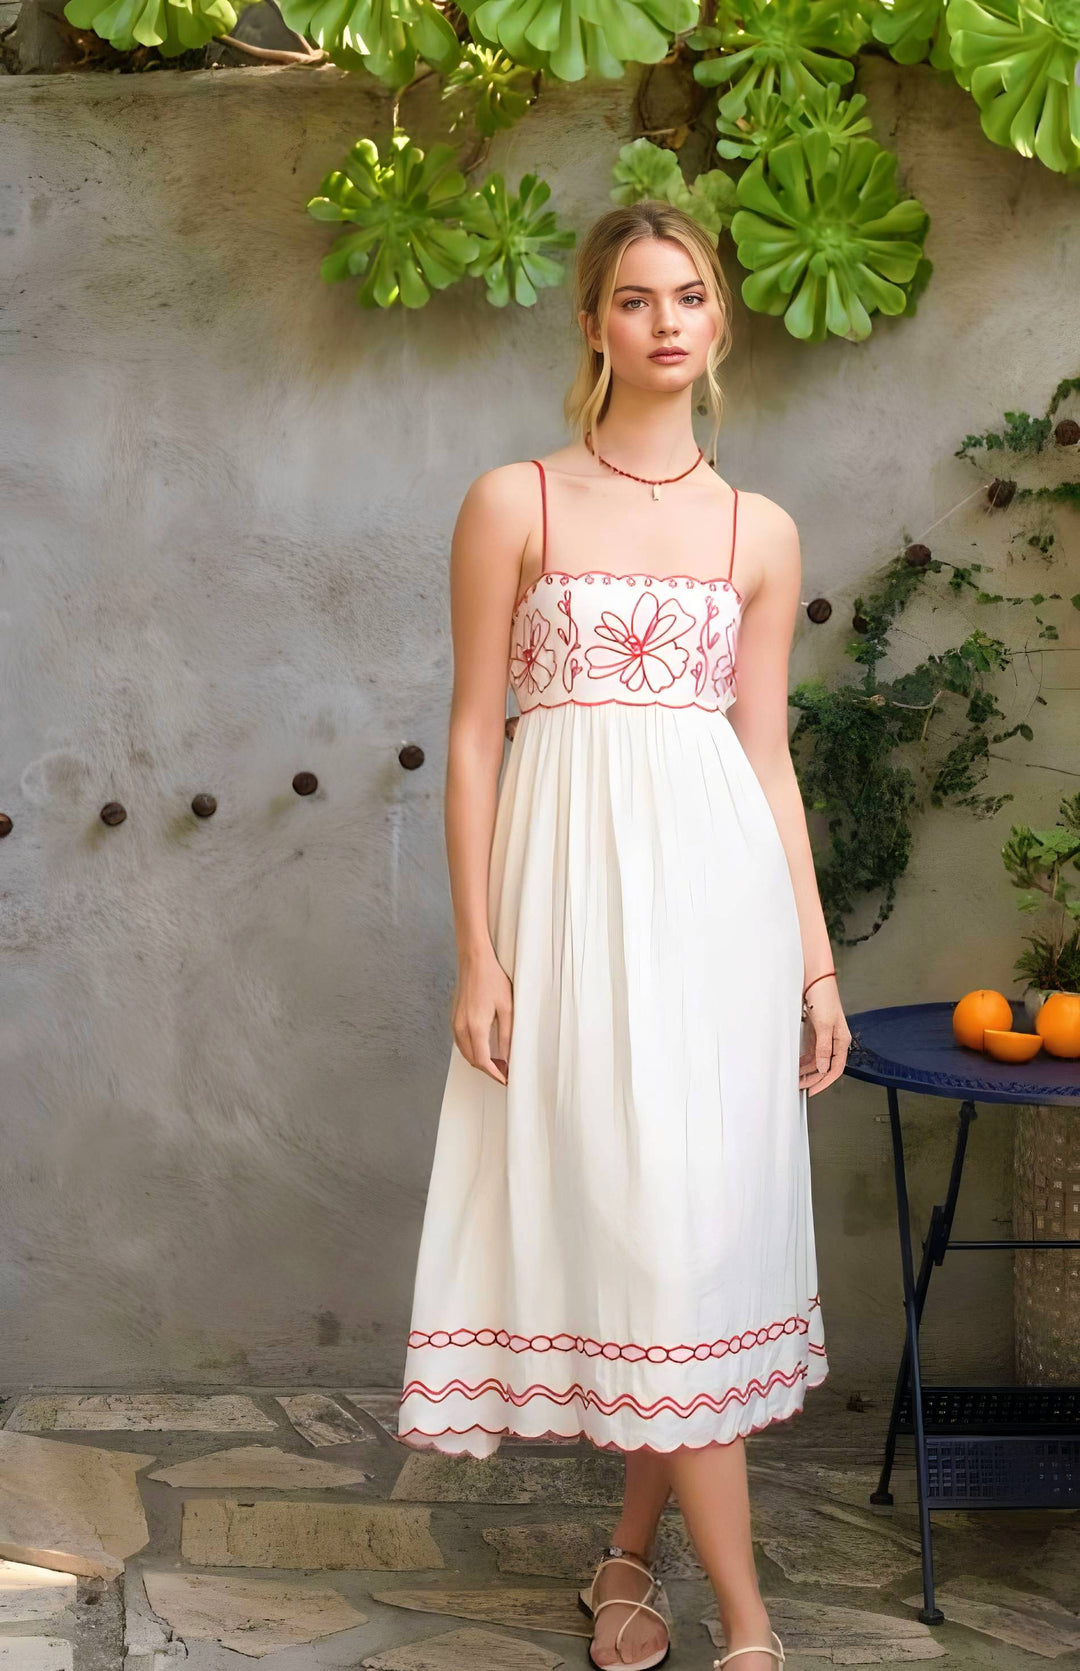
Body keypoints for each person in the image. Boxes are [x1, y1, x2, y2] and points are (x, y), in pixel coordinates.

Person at [396, 198, 851, 1671]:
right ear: (594, 322)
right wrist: (478, 949)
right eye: (639, 298)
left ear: (720, 323)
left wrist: (814, 960)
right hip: (570, 902)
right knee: (656, 1241)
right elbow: (474, 737)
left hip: (720, 911)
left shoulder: (759, 530)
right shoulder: (512, 499)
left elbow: (765, 754)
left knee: (693, 1255)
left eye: (693, 296)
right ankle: (753, 1628)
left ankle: (635, 1569)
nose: (668, 320)